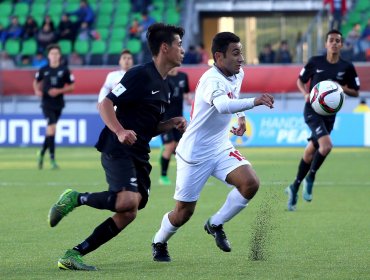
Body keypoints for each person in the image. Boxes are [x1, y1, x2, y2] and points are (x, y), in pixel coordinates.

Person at [47, 23, 186, 271]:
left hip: (139, 152)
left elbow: (148, 127)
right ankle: (75, 198)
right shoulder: (139, 74)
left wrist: (169, 125)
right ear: (165, 48)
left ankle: (73, 254)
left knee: (132, 209)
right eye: (179, 44)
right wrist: (120, 131)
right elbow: (105, 104)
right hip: (117, 146)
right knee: (127, 201)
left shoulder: (165, 86)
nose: (183, 50)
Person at [151, 32, 274, 262]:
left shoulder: (237, 73)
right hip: (194, 154)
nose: (242, 58)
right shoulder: (210, 80)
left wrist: (241, 117)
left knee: (250, 183)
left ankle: (216, 223)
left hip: (219, 146)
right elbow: (223, 104)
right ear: (219, 56)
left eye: (241, 52)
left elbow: (232, 98)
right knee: (183, 213)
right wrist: (254, 102)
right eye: (235, 53)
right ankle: (159, 241)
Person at [285, 29, 360, 211]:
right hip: (312, 110)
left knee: (311, 151)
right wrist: (305, 94)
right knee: (326, 146)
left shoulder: (347, 67)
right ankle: (310, 178)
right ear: (326, 44)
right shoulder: (315, 62)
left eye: (337, 41)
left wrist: (341, 88)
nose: (334, 43)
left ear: (341, 45)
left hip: (330, 116)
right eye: (331, 40)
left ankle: (294, 186)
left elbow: (356, 91)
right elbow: (300, 81)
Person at [33, 44, 75, 169]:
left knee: (50, 131)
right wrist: (37, 91)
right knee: (52, 129)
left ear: (60, 56)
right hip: (46, 103)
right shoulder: (43, 69)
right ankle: (52, 160)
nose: (54, 56)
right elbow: (36, 82)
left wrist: (59, 90)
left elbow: (72, 86)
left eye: (56, 53)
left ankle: (41, 153)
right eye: (52, 54)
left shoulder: (65, 70)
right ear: (49, 56)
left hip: (59, 104)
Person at [159, 67, 190, 185]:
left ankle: (184, 177)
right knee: (170, 146)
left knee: (179, 148)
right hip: (165, 118)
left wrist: (190, 101)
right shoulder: (163, 77)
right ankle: (163, 176)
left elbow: (186, 94)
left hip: (179, 119)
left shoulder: (183, 76)